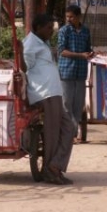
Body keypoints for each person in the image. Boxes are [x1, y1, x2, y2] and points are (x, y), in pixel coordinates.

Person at [23, 14, 75, 185]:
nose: (51, 32)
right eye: (48, 29)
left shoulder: (41, 42)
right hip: (44, 91)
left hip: (53, 91)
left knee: (68, 128)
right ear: (37, 28)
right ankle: (50, 171)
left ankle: (55, 165)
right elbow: (25, 66)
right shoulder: (31, 43)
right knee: (52, 133)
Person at [58, 4, 94, 142]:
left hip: (81, 73)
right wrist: (81, 55)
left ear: (78, 17)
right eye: (67, 17)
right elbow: (62, 51)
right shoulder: (64, 31)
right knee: (67, 104)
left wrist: (91, 54)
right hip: (66, 72)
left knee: (78, 105)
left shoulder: (85, 31)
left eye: (71, 17)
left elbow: (87, 49)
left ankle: (72, 133)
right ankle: (69, 134)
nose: (69, 19)